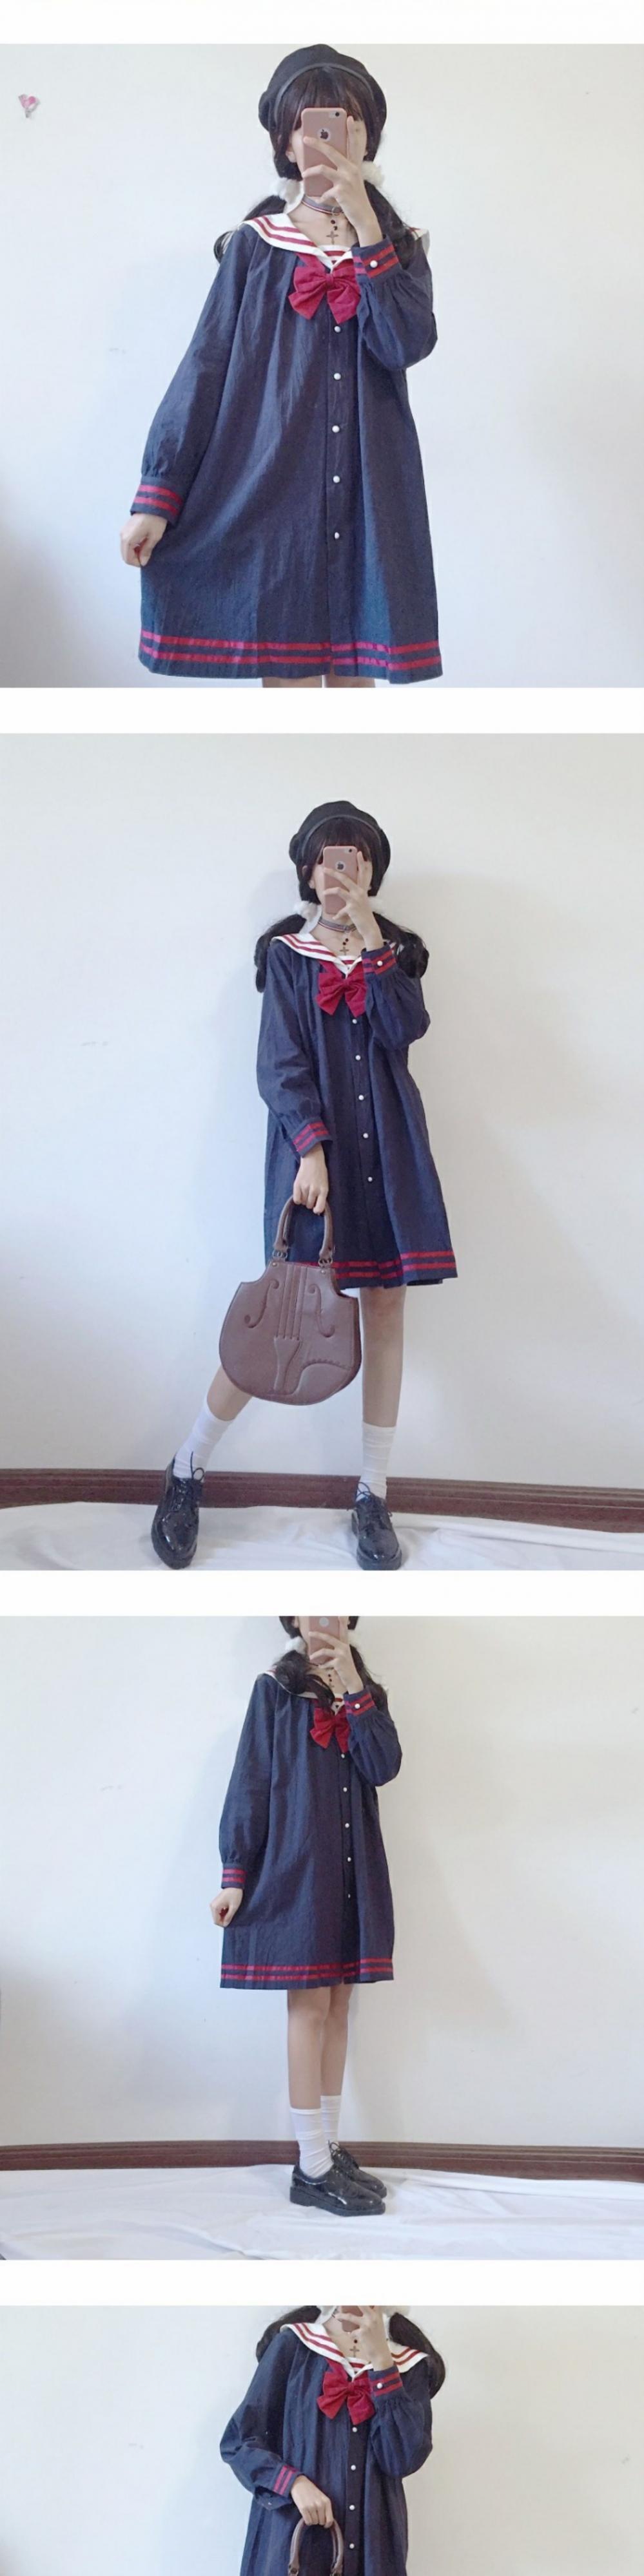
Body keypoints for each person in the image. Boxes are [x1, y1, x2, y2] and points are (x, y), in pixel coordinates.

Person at [151, 797, 456, 1574]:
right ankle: (186, 1468)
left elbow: (405, 1030)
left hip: (388, 1156)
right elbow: (279, 1064)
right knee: (280, 1318)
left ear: (371, 872)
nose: (339, 872)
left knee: (384, 1314)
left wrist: (375, 938)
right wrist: (309, 1152)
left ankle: (373, 1495)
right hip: (314, 1166)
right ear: (307, 871)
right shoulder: (287, 956)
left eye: (355, 859)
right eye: (328, 859)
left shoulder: (396, 954)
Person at [120, 45, 442, 685]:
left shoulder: (402, 247)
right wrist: (158, 496)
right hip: (269, 493)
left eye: (345, 121)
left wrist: (367, 230)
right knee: (285, 673)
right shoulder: (254, 247)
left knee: (356, 674)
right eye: (308, 124)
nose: (326, 138)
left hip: (373, 493)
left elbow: (405, 344)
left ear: (366, 136)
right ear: (285, 142)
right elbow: (205, 367)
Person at [211, 1617, 401, 2217]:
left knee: (340, 2006)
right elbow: (251, 1780)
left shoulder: (368, 1690)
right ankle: (311, 2165)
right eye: (309, 1606)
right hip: (300, 1869)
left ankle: (327, 2150)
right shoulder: (275, 1688)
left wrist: (352, 1687)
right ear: (293, 1616)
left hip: (353, 1869)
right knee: (309, 2008)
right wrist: (235, 1874)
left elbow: (383, 1766)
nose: (323, 1615)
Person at [221, 2302, 444, 2570]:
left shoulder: (410, 2366)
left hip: (372, 2551)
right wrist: (293, 2483)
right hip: (293, 2544)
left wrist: (382, 2362)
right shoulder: (294, 2346)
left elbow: (401, 2460)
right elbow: (239, 2441)